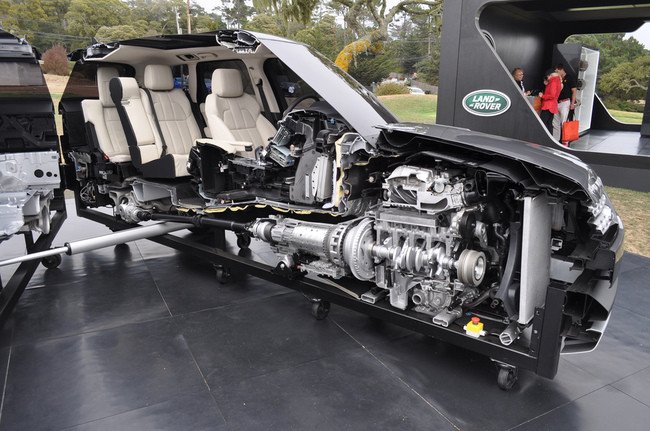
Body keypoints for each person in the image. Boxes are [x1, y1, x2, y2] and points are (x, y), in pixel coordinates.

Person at [553, 63, 577, 141]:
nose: (556, 73)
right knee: (555, 122)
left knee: (565, 122)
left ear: (561, 70)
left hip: (565, 102)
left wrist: (572, 103)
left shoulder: (569, 78)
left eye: (557, 71)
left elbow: (574, 91)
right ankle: (556, 139)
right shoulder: (557, 78)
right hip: (556, 102)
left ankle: (566, 140)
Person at [538, 69, 562, 135]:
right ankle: (549, 138)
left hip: (548, 105)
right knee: (549, 123)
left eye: (547, 77)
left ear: (550, 75)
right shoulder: (557, 81)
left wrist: (543, 96)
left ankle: (544, 137)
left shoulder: (553, 82)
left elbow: (552, 95)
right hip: (553, 106)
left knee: (543, 122)